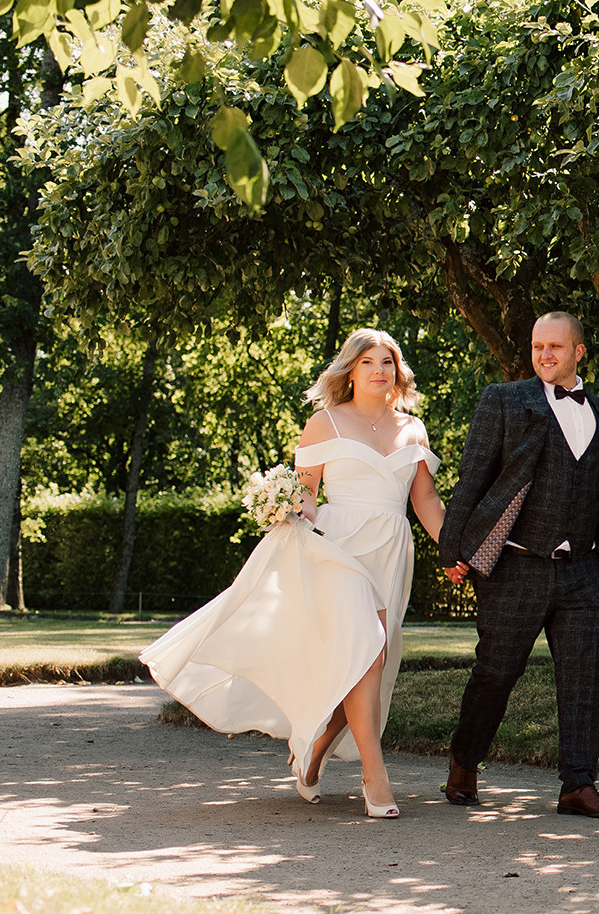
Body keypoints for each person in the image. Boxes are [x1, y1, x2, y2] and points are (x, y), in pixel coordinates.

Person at [141, 329, 444, 818]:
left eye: (387, 362)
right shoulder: (323, 423)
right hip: (337, 549)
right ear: (350, 370)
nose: (378, 370)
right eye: (367, 361)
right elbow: (306, 491)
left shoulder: (413, 429)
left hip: (390, 549)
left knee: (368, 658)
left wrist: (454, 551)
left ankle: (313, 749)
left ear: (397, 370)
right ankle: (375, 774)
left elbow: (425, 500)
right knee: (367, 648)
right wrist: (292, 513)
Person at [438, 310, 599, 818]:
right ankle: (464, 762)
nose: (545, 355)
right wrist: (452, 547)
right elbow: (473, 476)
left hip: (583, 571)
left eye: (556, 347)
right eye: (538, 345)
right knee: (496, 672)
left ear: (579, 352)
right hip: (516, 566)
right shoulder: (504, 400)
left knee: (584, 679)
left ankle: (577, 784)